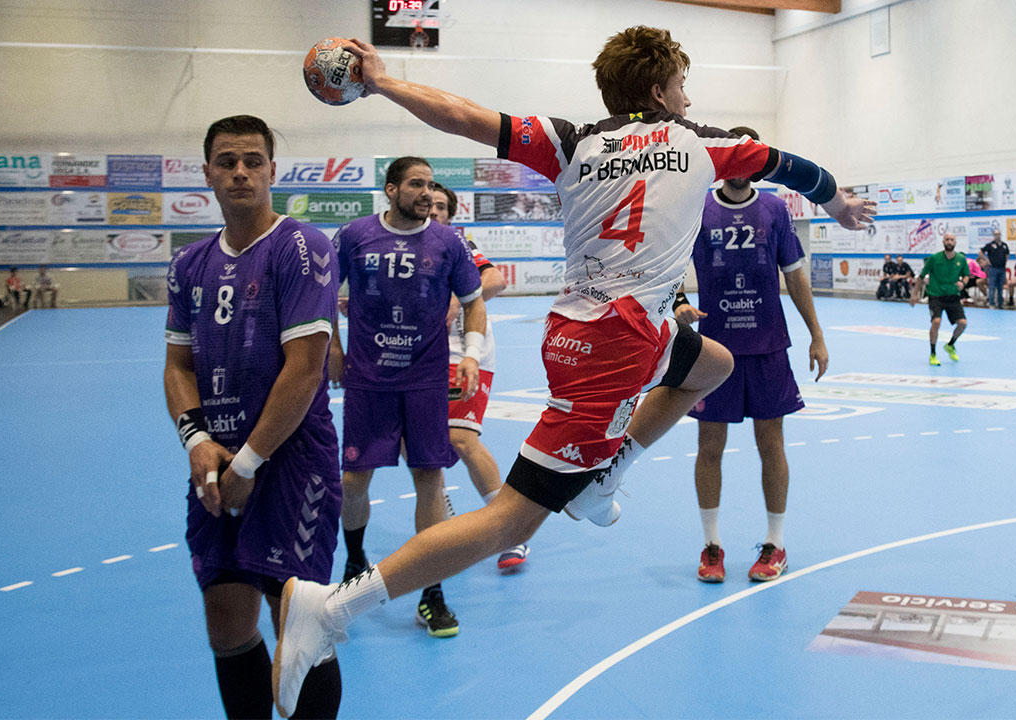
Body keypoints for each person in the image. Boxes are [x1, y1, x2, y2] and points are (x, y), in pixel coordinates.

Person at [271, 28, 874, 715]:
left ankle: (603, 478)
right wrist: (836, 203)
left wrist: (380, 81)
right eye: (682, 83)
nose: (687, 94)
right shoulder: (702, 143)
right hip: (612, 354)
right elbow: (797, 167)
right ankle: (331, 607)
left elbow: (461, 114)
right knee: (509, 523)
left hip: (592, 332)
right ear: (658, 92)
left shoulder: (568, 139)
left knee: (712, 363)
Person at [163, 115, 343, 718]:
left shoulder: (302, 246)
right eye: (226, 160)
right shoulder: (188, 264)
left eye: (252, 160)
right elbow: (177, 366)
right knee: (224, 617)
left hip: (289, 457)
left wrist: (248, 460)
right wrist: (196, 441)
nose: (240, 171)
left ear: (272, 169)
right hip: (217, 458)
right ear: (208, 171)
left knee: (298, 622)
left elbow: (305, 370)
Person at [328, 157, 488, 639]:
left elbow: (475, 301)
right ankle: (355, 560)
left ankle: (431, 591)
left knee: (430, 479)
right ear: (391, 189)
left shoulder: (448, 242)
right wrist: (333, 347)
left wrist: (472, 354)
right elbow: (321, 296)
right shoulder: (354, 235)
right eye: (416, 184)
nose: (425, 192)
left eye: (430, 185)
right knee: (354, 480)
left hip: (425, 378)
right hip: (367, 377)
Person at [672, 126, 825, 583]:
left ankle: (775, 545)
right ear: (722, 164)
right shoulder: (695, 208)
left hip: (767, 347)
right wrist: (678, 301)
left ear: (758, 165)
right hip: (714, 351)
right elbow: (664, 259)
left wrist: (816, 334)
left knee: (770, 444)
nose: (741, 169)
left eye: (749, 161)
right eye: (733, 160)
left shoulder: (775, 210)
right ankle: (712, 545)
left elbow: (795, 276)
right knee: (709, 447)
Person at [429, 183, 531, 570]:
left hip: (466, 355)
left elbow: (494, 281)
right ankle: (446, 520)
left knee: (461, 438)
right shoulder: (406, 247)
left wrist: (459, 298)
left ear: (450, 216)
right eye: (431, 205)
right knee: (418, 444)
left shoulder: (459, 244)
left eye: (442, 206)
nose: (435, 211)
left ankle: (514, 530)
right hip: (423, 361)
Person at [910, 233, 969, 366]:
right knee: (936, 322)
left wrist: (963, 283)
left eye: (952, 240)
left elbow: (966, 275)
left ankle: (950, 345)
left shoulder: (961, 258)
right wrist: (915, 294)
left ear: (955, 242)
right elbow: (921, 277)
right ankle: (933, 353)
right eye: (947, 239)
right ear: (943, 242)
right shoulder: (934, 258)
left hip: (953, 296)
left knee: (963, 323)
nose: (949, 242)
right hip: (936, 295)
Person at [981, 229, 1010, 309]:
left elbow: (1007, 254)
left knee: (1000, 287)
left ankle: (1000, 304)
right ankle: (992, 303)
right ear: (993, 235)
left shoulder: (1004, 245)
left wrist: (1004, 261)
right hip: (993, 268)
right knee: (992, 287)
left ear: (1000, 235)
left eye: (998, 234)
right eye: (995, 234)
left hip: (1002, 268)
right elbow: (980, 252)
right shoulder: (990, 245)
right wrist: (986, 260)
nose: (997, 235)